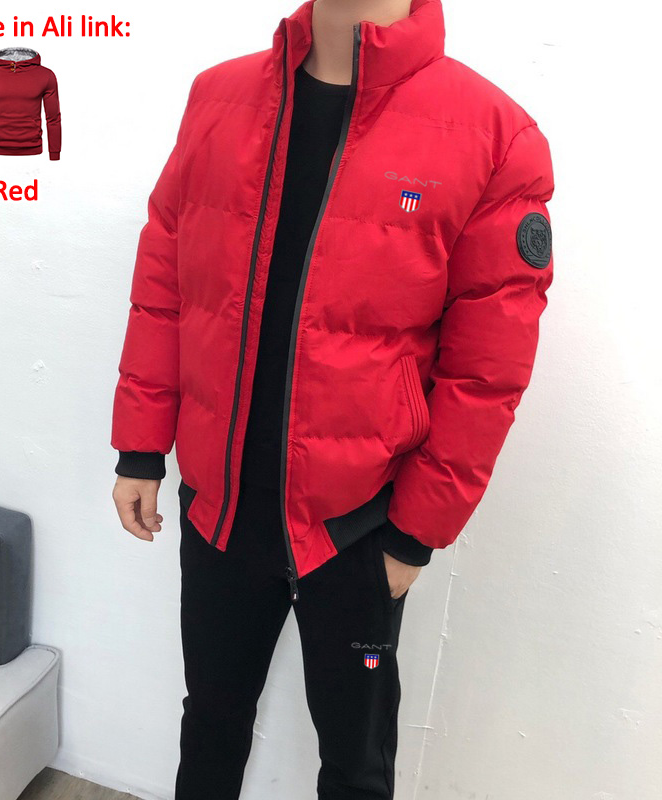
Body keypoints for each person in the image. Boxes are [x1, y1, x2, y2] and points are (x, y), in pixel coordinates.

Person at [111, 0, 554, 797]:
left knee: (356, 760)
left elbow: (486, 372)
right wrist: (141, 447)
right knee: (209, 724)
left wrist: (414, 533)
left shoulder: (493, 135)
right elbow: (166, 280)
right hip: (219, 513)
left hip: (359, 534)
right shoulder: (217, 97)